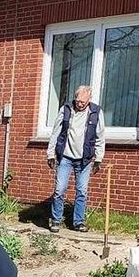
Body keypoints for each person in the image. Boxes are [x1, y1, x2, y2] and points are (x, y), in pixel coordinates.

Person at [45, 85, 105, 233]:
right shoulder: (66, 109)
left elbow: (100, 137)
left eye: (83, 102)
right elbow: (55, 132)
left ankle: (78, 222)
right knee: (59, 189)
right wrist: (51, 154)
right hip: (65, 157)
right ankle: (56, 220)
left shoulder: (96, 112)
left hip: (84, 159)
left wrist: (98, 158)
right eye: (77, 101)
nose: (80, 104)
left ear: (89, 100)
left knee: (82, 191)